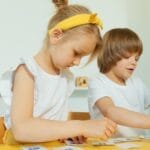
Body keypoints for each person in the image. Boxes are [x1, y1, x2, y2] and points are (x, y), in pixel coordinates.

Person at [0, 0, 117, 144]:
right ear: (56, 35)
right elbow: (22, 130)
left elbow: (55, 125)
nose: (77, 62)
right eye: (76, 53)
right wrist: (80, 126)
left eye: (82, 57)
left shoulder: (65, 77)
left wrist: (70, 133)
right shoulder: (27, 71)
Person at [88, 28, 150, 137]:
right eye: (127, 57)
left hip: (139, 145)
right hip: (109, 146)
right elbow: (111, 112)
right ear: (109, 56)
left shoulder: (137, 83)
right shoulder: (98, 82)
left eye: (136, 58)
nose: (133, 62)